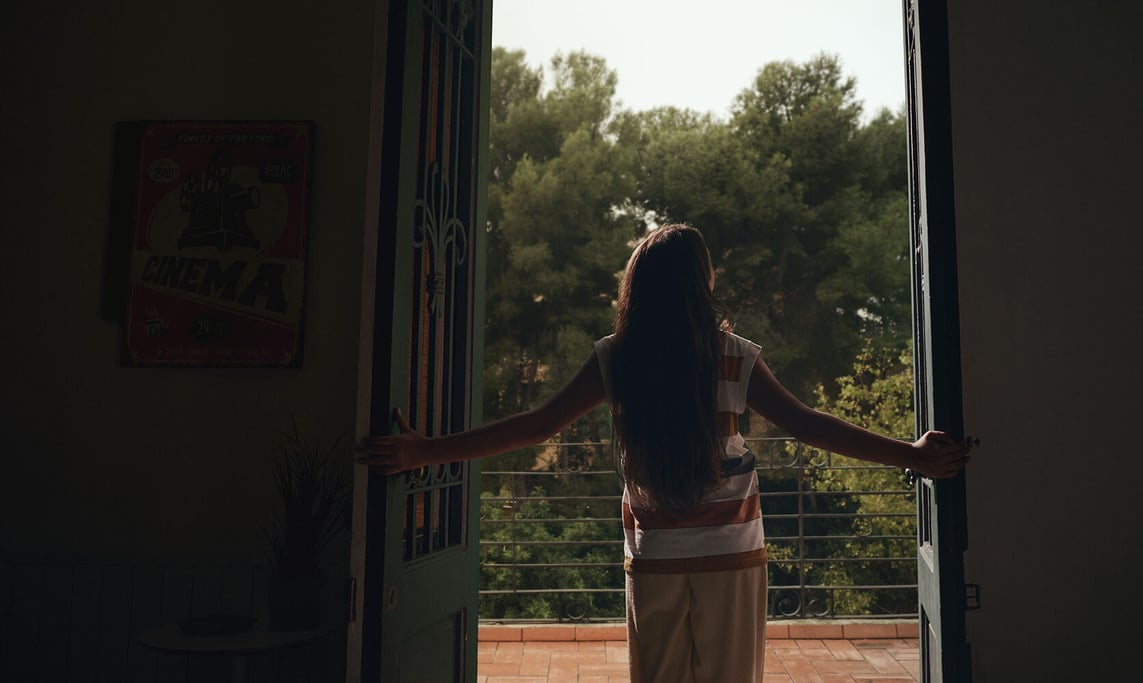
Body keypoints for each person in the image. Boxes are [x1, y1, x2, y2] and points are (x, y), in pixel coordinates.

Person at [357, 224, 973, 683]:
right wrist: (911, 454)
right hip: (732, 555)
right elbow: (810, 425)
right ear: (702, 282)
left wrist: (424, 452)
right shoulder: (735, 355)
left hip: (654, 556)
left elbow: (536, 426)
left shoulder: (617, 358)